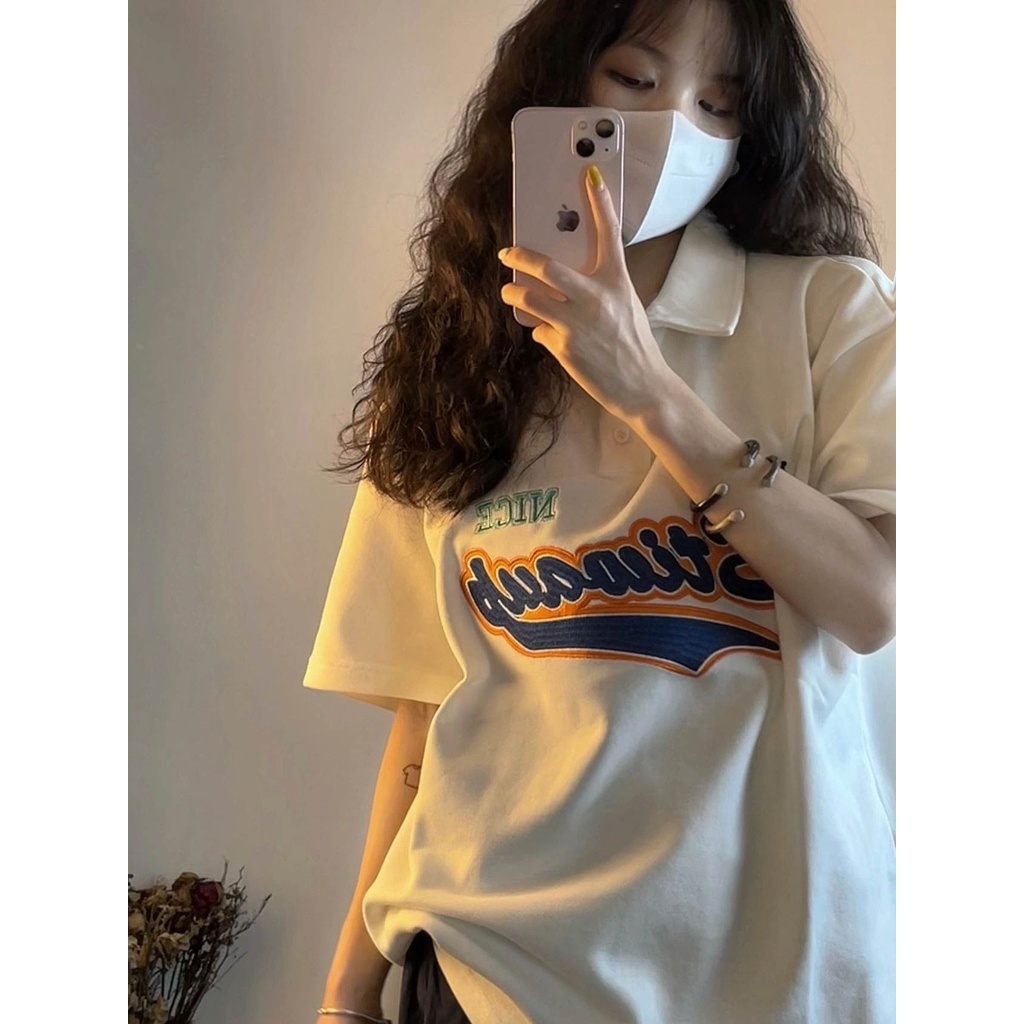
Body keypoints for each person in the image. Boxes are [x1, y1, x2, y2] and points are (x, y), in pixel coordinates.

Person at [302, 0, 896, 1021]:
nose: (674, 125)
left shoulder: (834, 312)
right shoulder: (451, 363)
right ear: (556, 85)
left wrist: (647, 388)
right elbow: (428, 712)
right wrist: (345, 997)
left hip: (771, 980)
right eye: (633, 78)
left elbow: (874, 599)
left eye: (720, 103)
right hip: (484, 971)